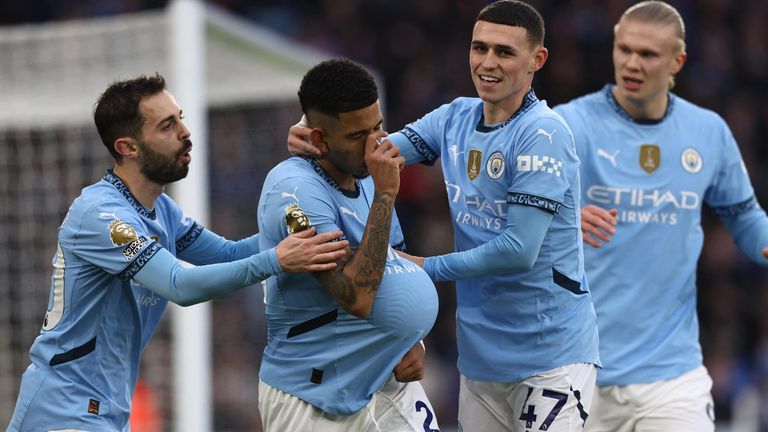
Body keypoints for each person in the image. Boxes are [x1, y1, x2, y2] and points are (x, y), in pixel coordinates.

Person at [288, 2, 600, 431]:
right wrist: (313, 134)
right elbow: (366, 157)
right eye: (479, 48)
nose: (488, 63)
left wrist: (422, 268)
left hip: (550, 357)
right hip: (480, 358)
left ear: (536, 61)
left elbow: (518, 250)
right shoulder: (454, 118)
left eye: (504, 52)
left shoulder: (542, 134)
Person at [7, 73, 348, 431]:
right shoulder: (100, 214)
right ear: (128, 147)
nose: (185, 132)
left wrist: (304, 227)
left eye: (180, 118)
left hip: (102, 409)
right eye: (167, 126)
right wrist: (278, 259)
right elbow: (179, 285)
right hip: (62, 409)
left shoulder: (161, 210)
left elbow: (229, 255)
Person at [553, 2, 768, 431]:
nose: (632, 63)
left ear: (677, 61)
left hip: (672, 376)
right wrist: (558, 218)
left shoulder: (707, 133)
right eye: (624, 49)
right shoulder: (567, 126)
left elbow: (745, 216)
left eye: (648, 54)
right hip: (574, 371)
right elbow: (504, 210)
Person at [257, 58, 440, 431]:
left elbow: (394, 266)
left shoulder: (367, 173)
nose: (376, 145)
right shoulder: (294, 191)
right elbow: (356, 295)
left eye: (378, 127)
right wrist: (387, 194)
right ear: (319, 138)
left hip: (384, 378)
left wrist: (412, 340)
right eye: (358, 136)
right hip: (314, 394)